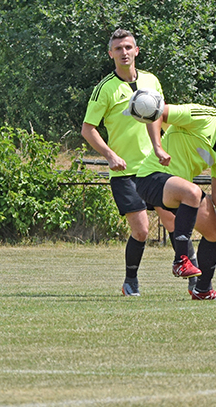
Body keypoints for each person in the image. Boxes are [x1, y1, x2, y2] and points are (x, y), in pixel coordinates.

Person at [81, 29, 190, 297]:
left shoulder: (152, 81)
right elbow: (88, 129)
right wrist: (110, 155)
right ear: (111, 54)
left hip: (153, 167)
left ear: (136, 51)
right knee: (141, 231)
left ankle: (193, 276)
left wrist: (162, 146)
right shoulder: (104, 88)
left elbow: (159, 117)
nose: (124, 52)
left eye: (128, 47)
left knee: (175, 222)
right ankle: (130, 281)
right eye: (118, 49)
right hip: (125, 173)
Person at [135, 88, 216, 300]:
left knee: (215, 232)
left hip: (181, 193)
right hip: (150, 178)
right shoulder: (201, 115)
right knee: (192, 191)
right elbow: (157, 113)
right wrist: (157, 147)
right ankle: (181, 261)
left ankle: (203, 290)